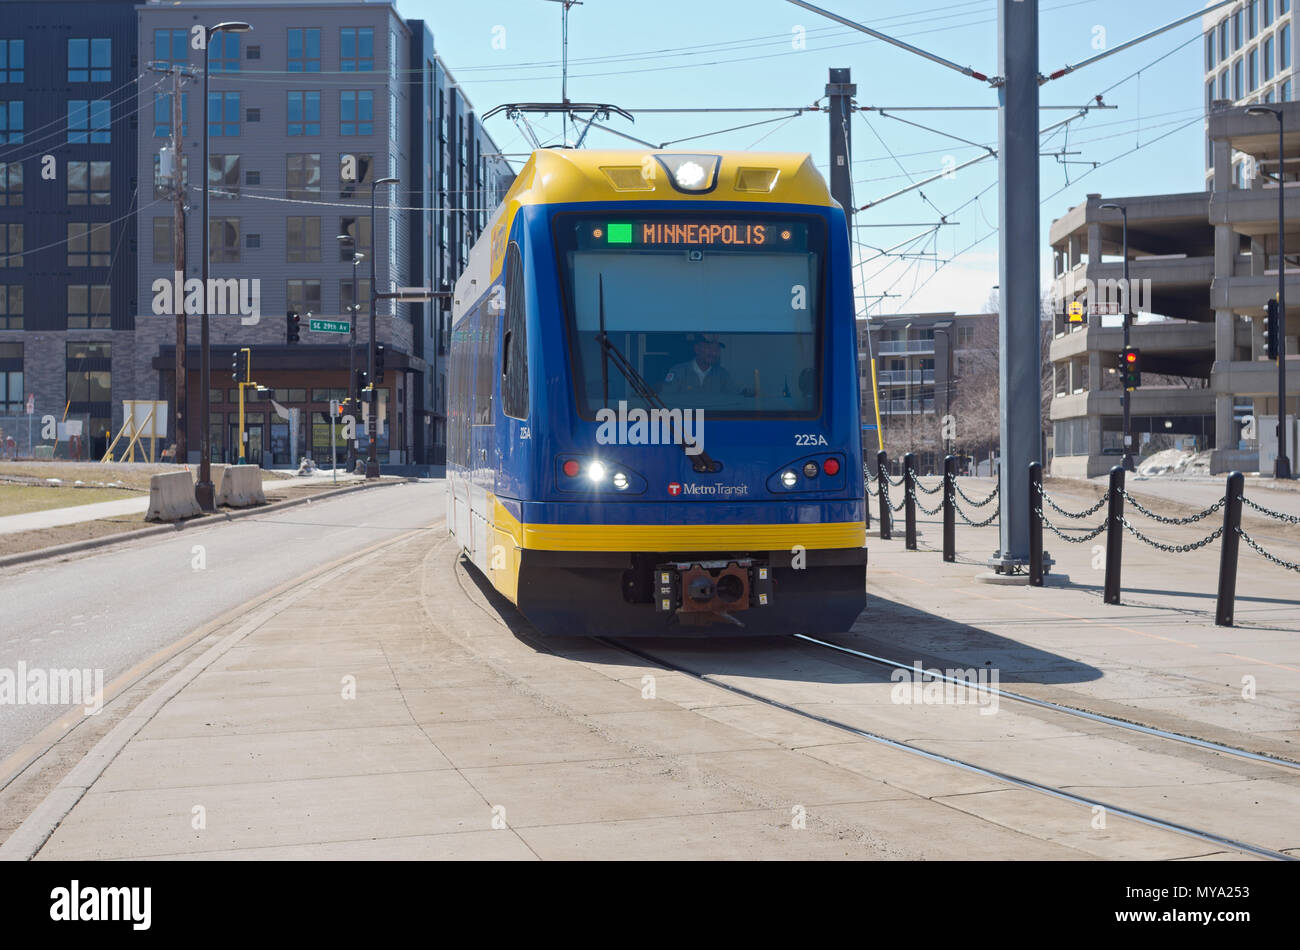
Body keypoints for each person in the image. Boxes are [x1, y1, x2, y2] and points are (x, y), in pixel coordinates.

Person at [660, 332, 752, 397]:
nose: (714, 353)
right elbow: (666, 399)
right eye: (709, 348)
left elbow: (737, 395)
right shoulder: (678, 371)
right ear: (697, 349)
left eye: (717, 349)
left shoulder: (722, 374)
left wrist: (748, 393)